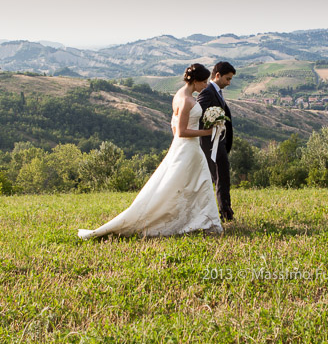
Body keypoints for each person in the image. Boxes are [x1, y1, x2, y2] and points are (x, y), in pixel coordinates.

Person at [78, 64, 222, 239]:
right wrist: (208, 132)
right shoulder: (186, 100)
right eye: (204, 81)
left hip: (185, 147)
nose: (206, 85)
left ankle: (201, 220)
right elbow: (183, 132)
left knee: (192, 183)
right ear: (196, 81)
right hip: (188, 147)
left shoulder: (178, 95)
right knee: (196, 182)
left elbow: (174, 127)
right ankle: (204, 222)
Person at [197, 61, 236, 221]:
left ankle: (224, 211)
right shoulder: (207, 91)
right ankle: (225, 212)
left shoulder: (216, 91)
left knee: (222, 176)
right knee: (222, 177)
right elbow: (198, 114)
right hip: (211, 142)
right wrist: (211, 128)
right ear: (217, 75)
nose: (229, 83)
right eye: (227, 79)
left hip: (218, 141)